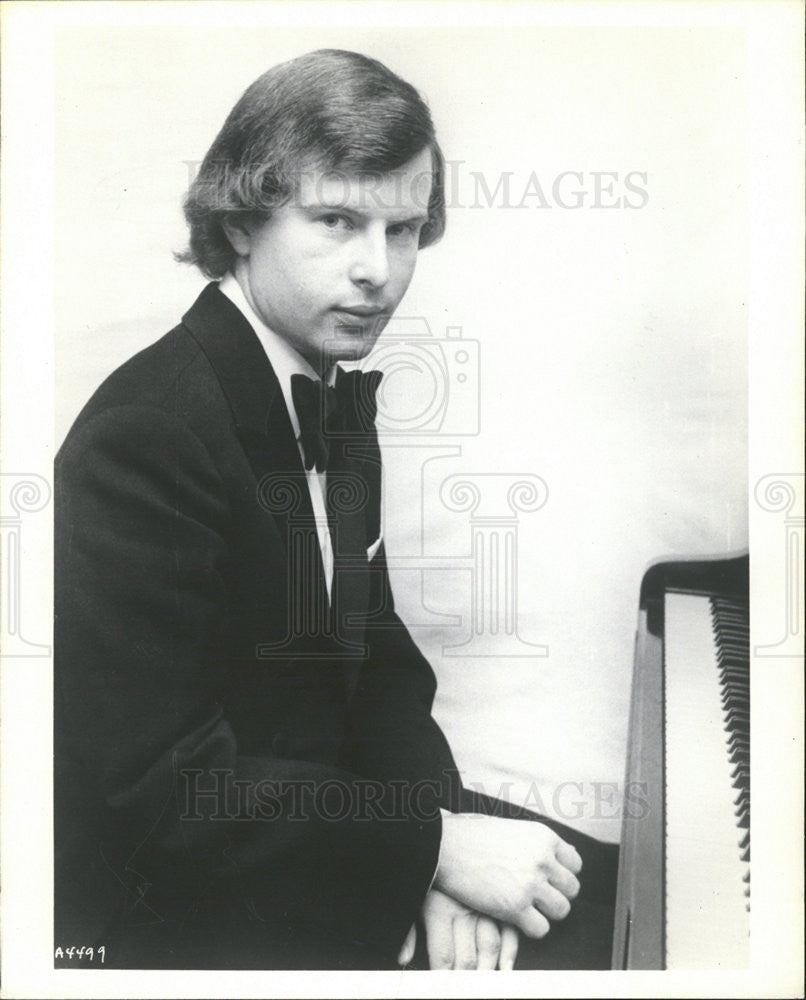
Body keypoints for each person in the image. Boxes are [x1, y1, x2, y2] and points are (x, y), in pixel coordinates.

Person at [54, 48, 617, 971]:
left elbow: (379, 661)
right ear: (240, 223)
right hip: (169, 908)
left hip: (331, 824)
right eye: (336, 221)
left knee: (619, 894)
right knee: (602, 947)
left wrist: (437, 848)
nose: (378, 271)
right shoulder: (144, 437)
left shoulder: (327, 388)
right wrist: (432, 853)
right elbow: (161, 797)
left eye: (402, 230)